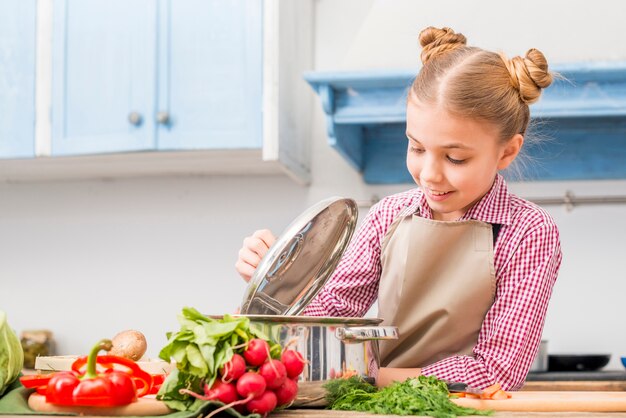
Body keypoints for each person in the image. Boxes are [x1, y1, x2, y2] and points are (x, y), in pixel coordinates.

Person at [235, 26, 562, 391]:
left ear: (506, 152)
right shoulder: (388, 215)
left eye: (455, 157)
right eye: (417, 148)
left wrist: (371, 378)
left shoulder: (529, 232)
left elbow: (496, 373)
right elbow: (331, 316)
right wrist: (279, 278)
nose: (429, 175)